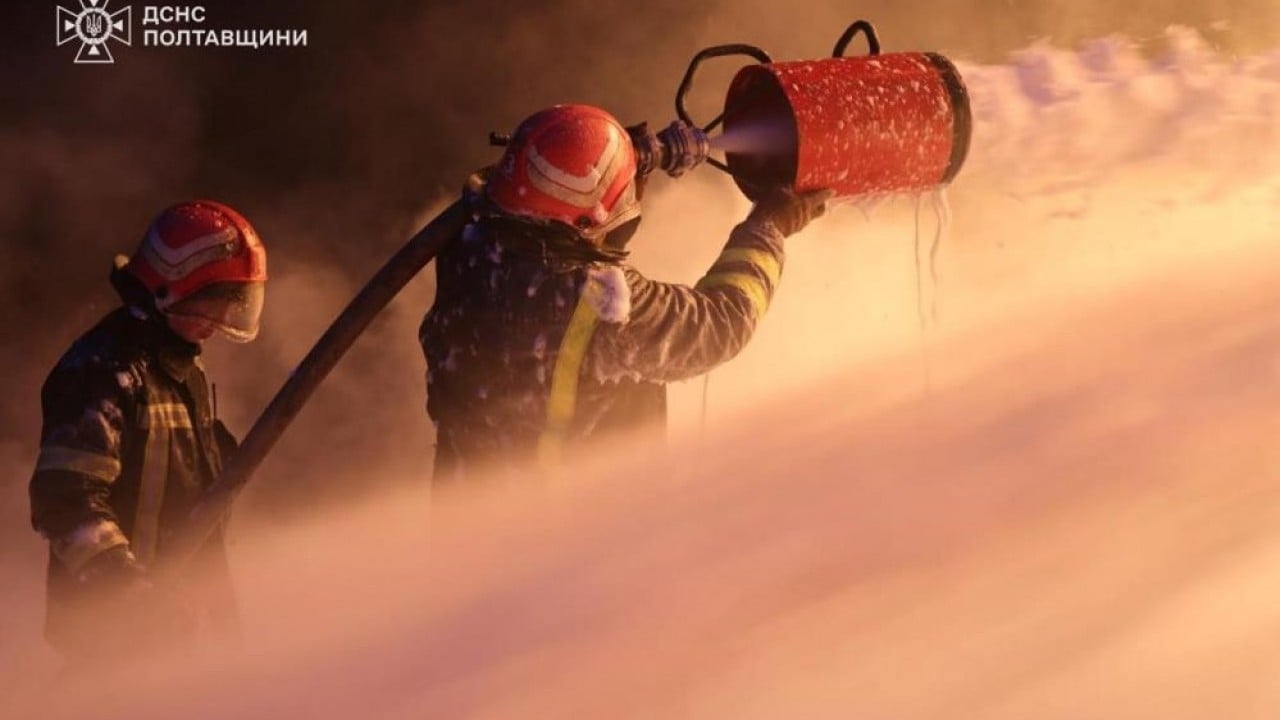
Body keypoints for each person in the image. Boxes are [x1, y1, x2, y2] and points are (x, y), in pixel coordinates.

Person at [419, 104, 833, 481]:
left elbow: (549, 194)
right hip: (567, 524)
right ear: (587, 220)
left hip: (464, 505)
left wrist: (627, 160)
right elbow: (722, 322)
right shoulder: (596, 302)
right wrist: (768, 228)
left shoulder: (469, 242)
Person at [28, 200, 267, 664]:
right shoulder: (102, 371)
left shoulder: (180, 368)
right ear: (167, 288)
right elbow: (64, 500)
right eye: (210, 301)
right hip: (111, 644)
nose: (220, 320)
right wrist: (129, 593)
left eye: (232, 303)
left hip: (181, 633)